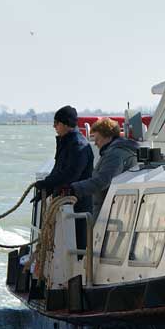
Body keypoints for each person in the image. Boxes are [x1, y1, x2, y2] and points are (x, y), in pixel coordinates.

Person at [34, 106, 94, 249]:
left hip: (77, 204)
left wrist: (47, 183)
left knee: (77, 246)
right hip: (65, 203)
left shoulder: (79, 145)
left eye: (56, 122)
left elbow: (71, 174)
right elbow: (58, 169)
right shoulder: (66, 142)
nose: (54, 126)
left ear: (66, 124)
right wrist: (48, 189)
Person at [66, 117, 139, 217]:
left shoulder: (115, 155)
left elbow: (103, 180)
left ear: (108, 136)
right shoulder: (119, 152)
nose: (95, 143)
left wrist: (73, 188)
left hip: (109, 214)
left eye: (97, 139)